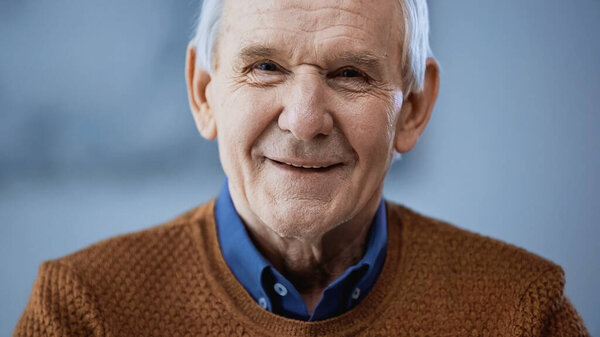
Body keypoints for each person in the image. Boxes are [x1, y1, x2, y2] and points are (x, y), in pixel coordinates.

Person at [14, 0, 590, 336]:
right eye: (265, 66)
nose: (305, 119)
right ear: (203, 93)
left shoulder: (520, 312)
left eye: (351, 74)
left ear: (412, 109)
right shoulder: (84, 311)